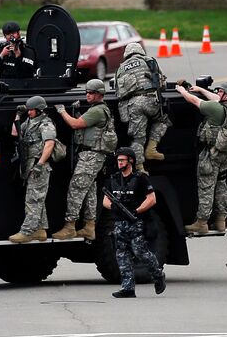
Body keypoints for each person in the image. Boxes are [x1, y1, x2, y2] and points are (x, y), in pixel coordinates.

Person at [52, 78, 117, 241]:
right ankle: (89, 226)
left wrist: (62, 111)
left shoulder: (97, 111)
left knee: (76, 188)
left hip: (91, 157)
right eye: (86, 92)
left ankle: (70, 227)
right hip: (93, 156)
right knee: (89, 191)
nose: (87, 95)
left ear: (99, 94)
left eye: (91, 92)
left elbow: (75, 124)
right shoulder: (97, 109)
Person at [176, 80, 227, 234]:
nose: (218, 93)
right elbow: (215, 98)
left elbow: (194, 100)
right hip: (226, 156)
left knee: (206, 187)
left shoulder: (215, 109)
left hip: (211, 155)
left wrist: (181, 90)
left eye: (221, 92)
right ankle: (221, 221)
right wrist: (200, 88)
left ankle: (201, 223)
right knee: (221, 185)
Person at [102, 147, 166, 298]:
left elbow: (152, 199)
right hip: (119, 223)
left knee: (140, 252)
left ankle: (158, 275)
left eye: (122, 160)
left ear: (131, 161)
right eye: (118, 160)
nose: (119, 163)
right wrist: (113, 207)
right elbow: (106, 199)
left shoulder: (140, 178)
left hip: (136, 222)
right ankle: (128, 288)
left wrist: (137, 211)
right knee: (121, 254)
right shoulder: (114, 179)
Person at [114, 42, 171, 171]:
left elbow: (118, 92)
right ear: (140, 51)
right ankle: (151, 148)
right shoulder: (149, 61)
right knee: (163, 119)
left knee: (138, 138)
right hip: (150, 101)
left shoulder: (121, 68)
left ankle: (139, 167)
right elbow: (161, 83)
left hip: (134, 105)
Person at [9, 95, 56, 243]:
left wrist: (40, 164)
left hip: (39, 166)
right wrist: (18, 115)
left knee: (33, 200)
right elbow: (14, 133)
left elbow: (49, 145)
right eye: (28, 110)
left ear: (39, 110)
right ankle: (40, 230)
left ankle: (27, 231)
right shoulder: (30, 122)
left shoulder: (45, 124)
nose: (29, 112)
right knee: (36, 198)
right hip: (30, 165)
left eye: (31, 110)